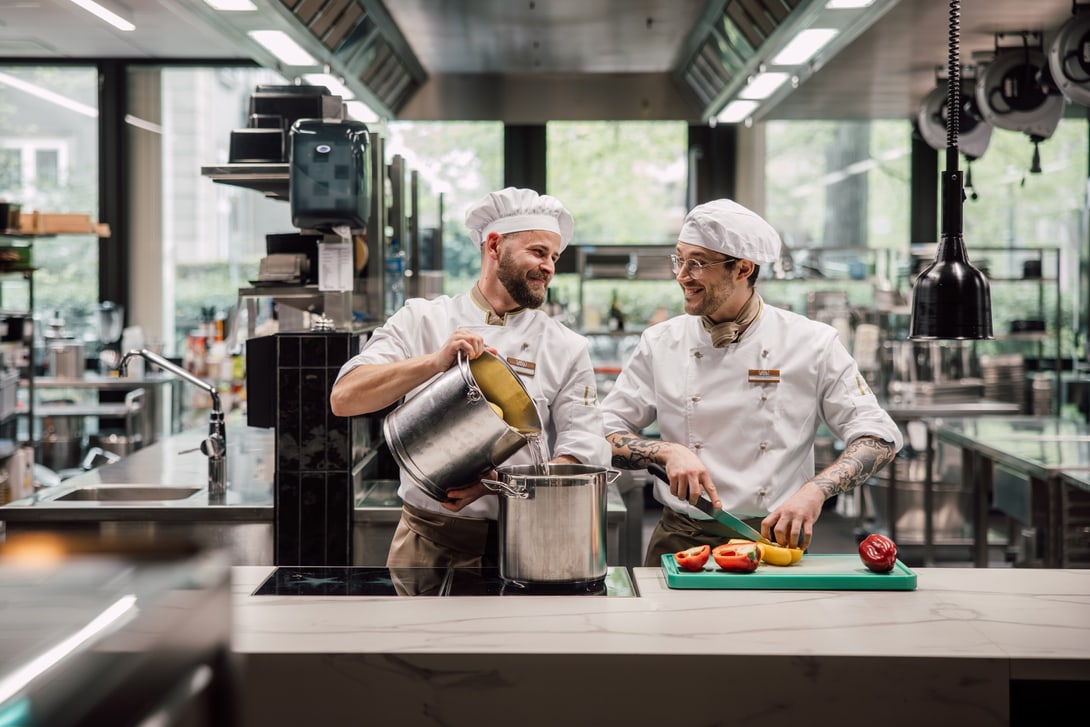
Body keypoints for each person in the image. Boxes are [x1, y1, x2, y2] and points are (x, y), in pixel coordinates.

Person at [600, 199, 903, 566]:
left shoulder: (812, 342)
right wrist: (665, 451)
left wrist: (816, 491)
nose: (681, 275)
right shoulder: (660, 342)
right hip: (680, 541)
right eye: (678, 259)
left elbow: (879, 437)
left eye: (697, 263)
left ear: (743, 269)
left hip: (772, 542)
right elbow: (602, 432)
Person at [330, 187, 610, 570]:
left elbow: (583, 447)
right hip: (429, 541)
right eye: (539, 252)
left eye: (554, 257)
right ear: (494, 245)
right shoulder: (422, 319)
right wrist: (433, 362)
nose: (549, 267)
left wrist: (501, 482)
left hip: (530, 538)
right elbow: (345, 397)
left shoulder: (565, 345)